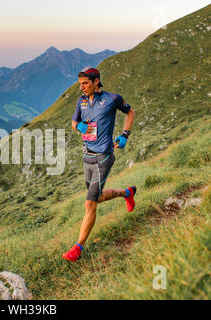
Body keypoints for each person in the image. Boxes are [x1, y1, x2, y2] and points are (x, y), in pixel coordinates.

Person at [62, 67, 136, 262]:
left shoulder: (112, 99)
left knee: (90, 202)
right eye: (80, 84)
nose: (82, 88)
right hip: (87, 156)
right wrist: (78, 126)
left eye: (85, 83)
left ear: (96, 81)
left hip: (104, 156)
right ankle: (127, 193)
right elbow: (73, 122)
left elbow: (130, 113)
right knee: (98, 196)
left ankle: (78, 247)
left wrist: (124, 135)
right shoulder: (82, 101)